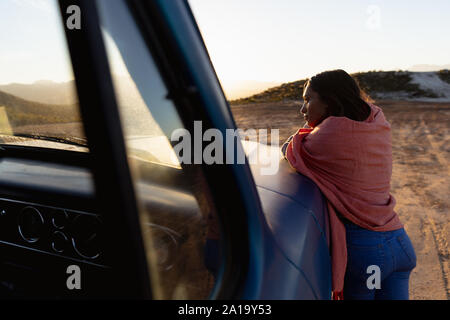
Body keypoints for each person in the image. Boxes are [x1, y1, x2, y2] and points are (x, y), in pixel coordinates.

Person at [282, 69, 416, 300]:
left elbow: (290, 149)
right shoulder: (376, 121)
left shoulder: (327, 135)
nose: (302, 109)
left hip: (369, 256)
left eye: (308, 100)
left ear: (329, 101)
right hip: (400, 243)